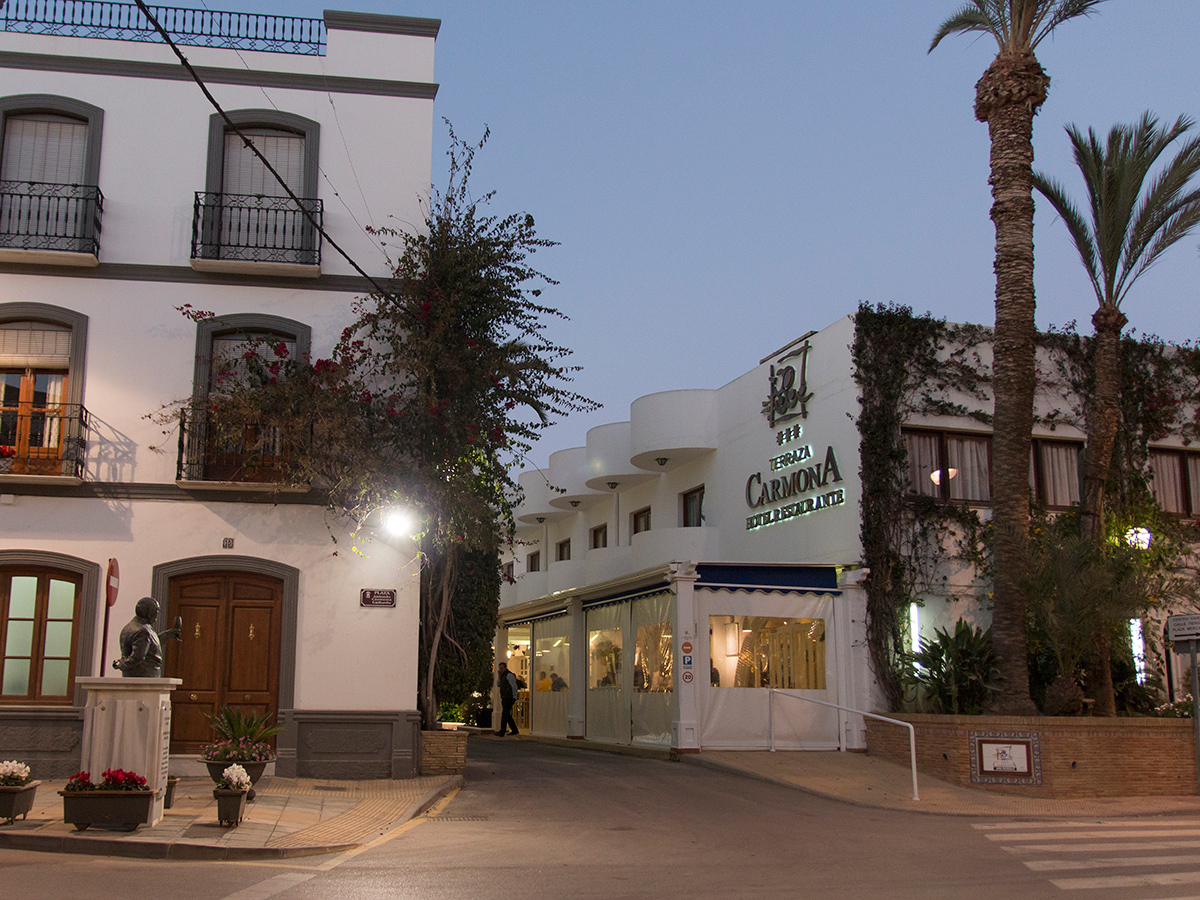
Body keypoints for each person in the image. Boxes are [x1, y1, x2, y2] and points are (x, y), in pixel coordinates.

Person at [113, 597, 166, 677]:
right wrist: (121, 664)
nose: (157, 615)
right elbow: (138, 657)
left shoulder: (131, 626)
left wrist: (165, 636)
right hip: (145, 675)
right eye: (156, 611)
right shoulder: (142, 631)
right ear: (149, 613)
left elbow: (148, 647)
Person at [494, 662, 519, 736]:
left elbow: (514, 686)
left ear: (505, 668)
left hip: (509, 697)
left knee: (504, 714)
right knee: (507, 714)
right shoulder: (503, 676)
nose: (501, 670)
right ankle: (514, 729)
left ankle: (502, 731)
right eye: (500, 669)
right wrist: (499, 676)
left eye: (502, 668)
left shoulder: (509, 675)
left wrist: (514, 696)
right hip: (504, 697)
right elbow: (498, 684)